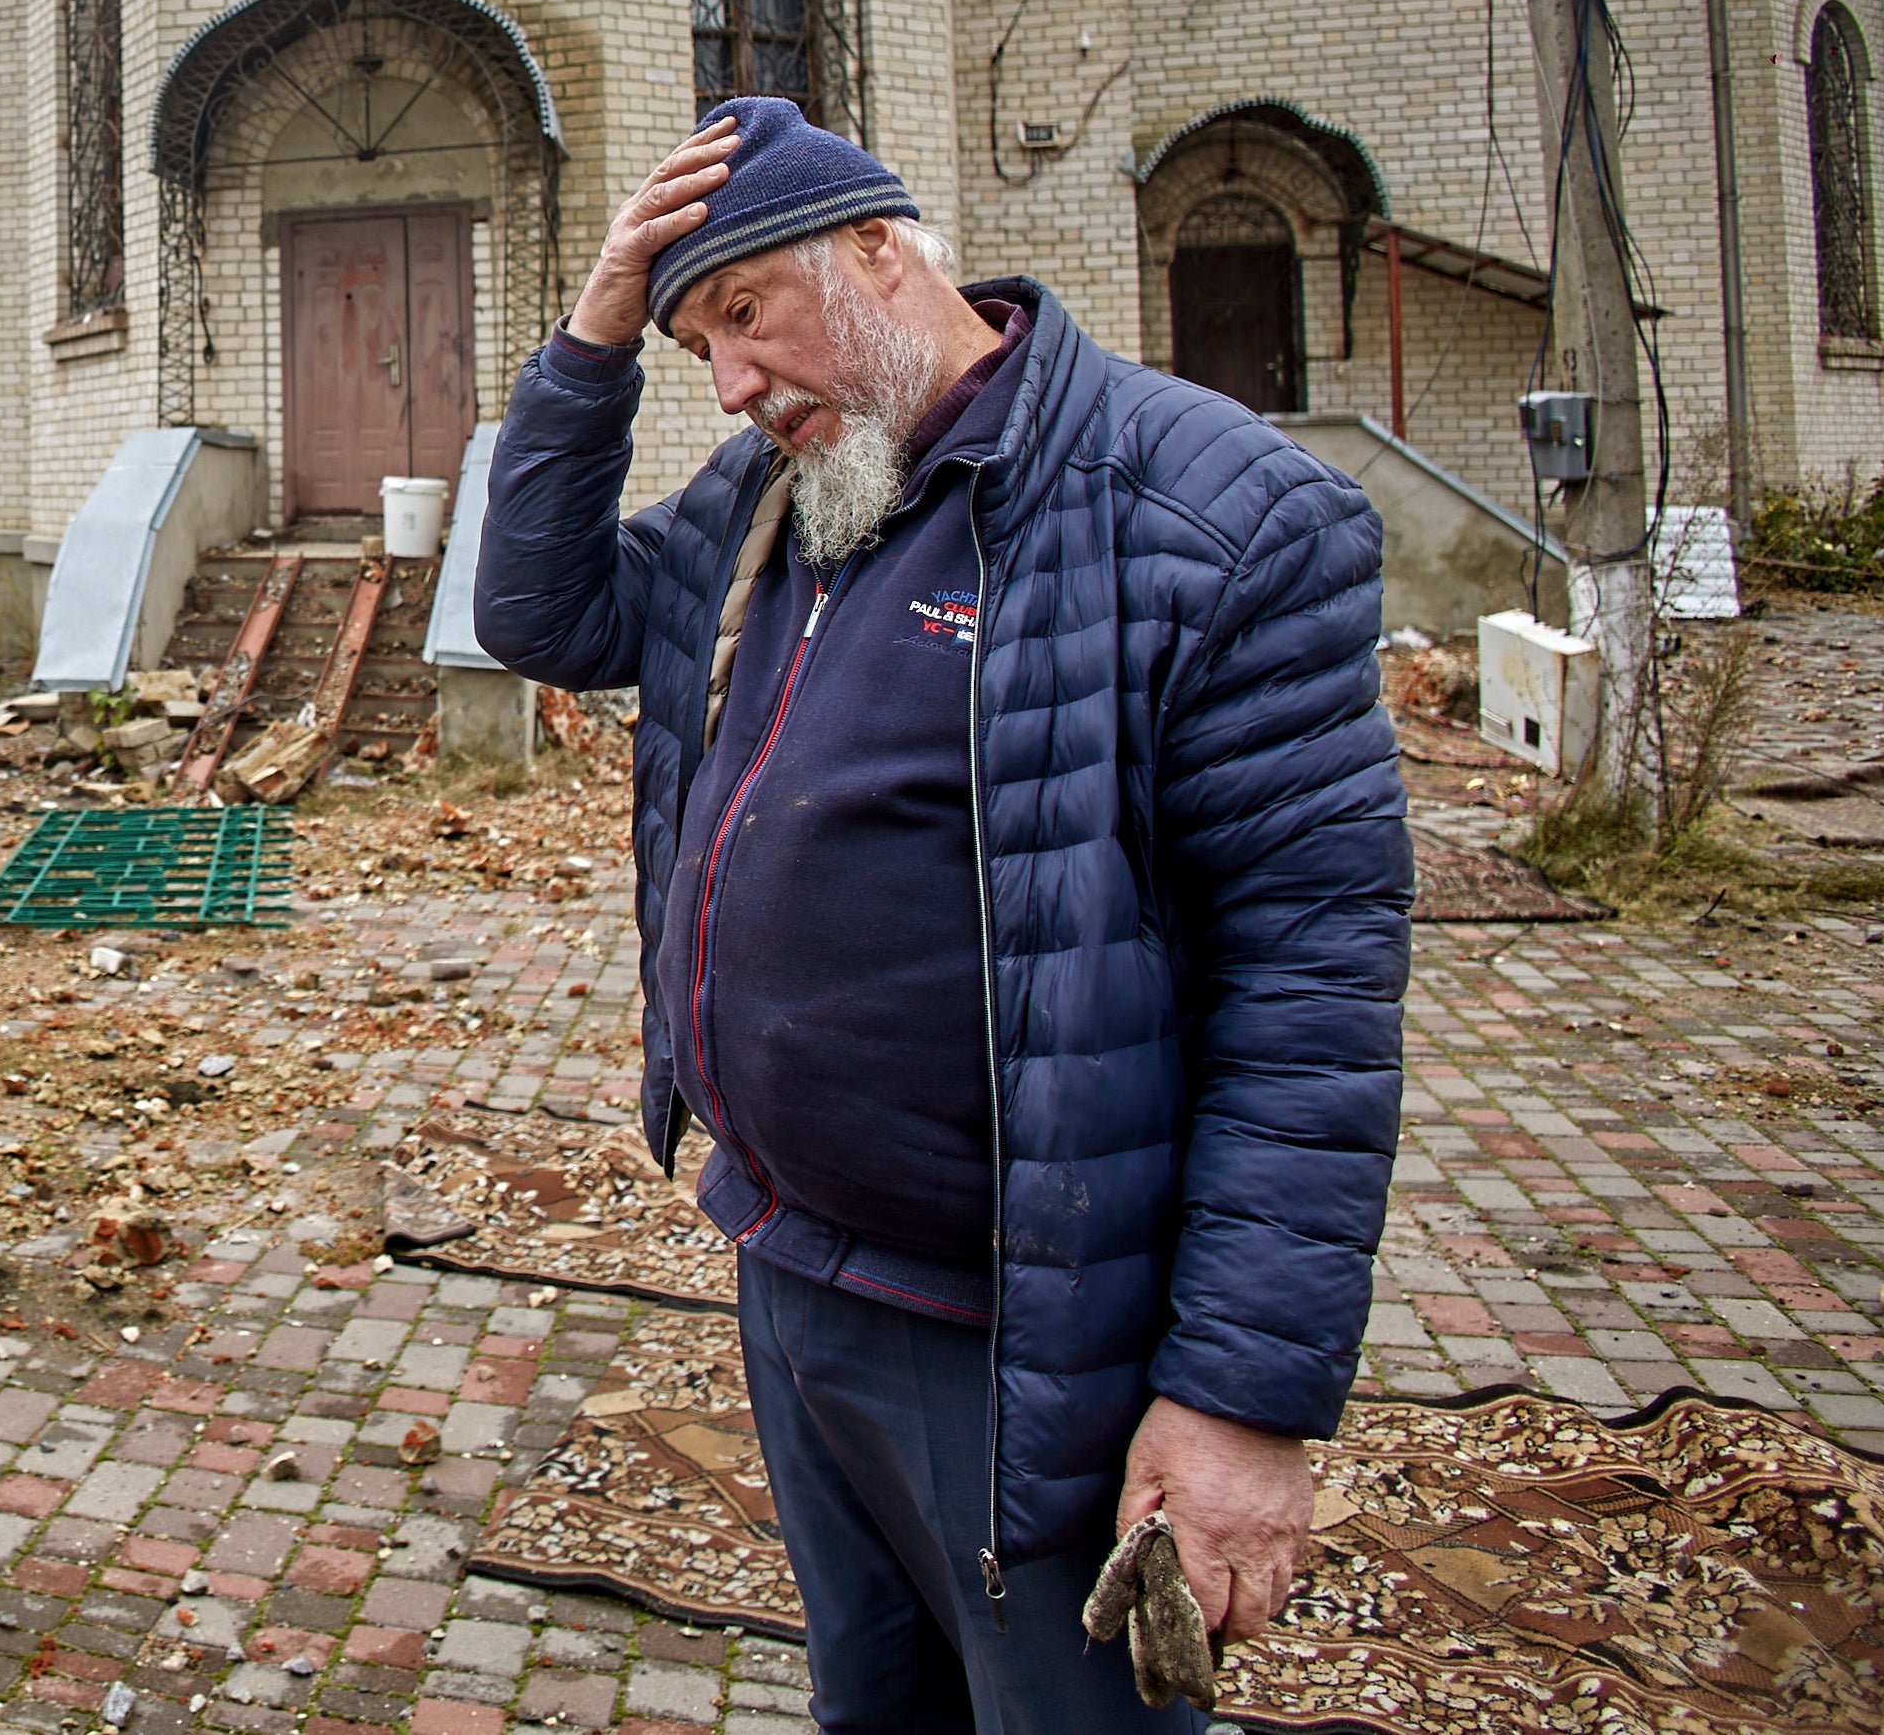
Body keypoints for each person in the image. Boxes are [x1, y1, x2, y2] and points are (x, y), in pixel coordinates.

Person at [473, 100, 1410, 1734]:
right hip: (789, 1270)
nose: (735, 384)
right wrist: (598, 327)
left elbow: (1311, 992)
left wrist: (1238, 1401)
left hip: (1024, 1337)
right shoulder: (788, 492)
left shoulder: (1207, 518)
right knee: (875, 1708)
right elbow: (540, 612)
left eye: (745, 315)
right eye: (700, 344)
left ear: (882, 251)